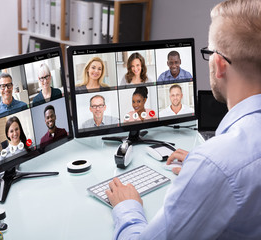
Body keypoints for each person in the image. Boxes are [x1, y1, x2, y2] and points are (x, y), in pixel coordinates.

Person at [106, 0, 261, 239]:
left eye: (209, 53)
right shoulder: (221, 163)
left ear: (219, 64)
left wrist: (128, 208)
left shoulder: (216, 164)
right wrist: (207, 171)